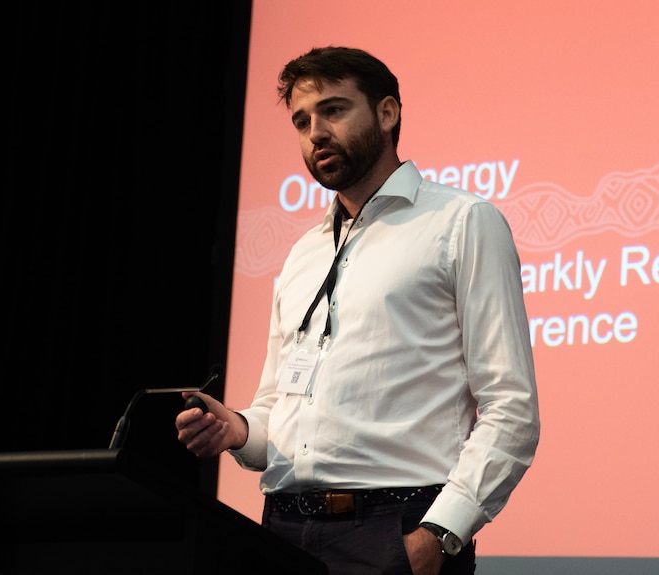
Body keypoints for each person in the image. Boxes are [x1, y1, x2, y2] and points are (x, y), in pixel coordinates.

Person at [176, 46, 540, 575]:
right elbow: (278, 410)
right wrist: (235, 428)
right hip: (281, 530)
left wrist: (439, 535)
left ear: (387, 113)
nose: (315, 132)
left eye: (334, 110)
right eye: (302, 121)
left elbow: (512, 409)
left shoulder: (462, 222)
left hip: (397, 528)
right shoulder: (304, 252)